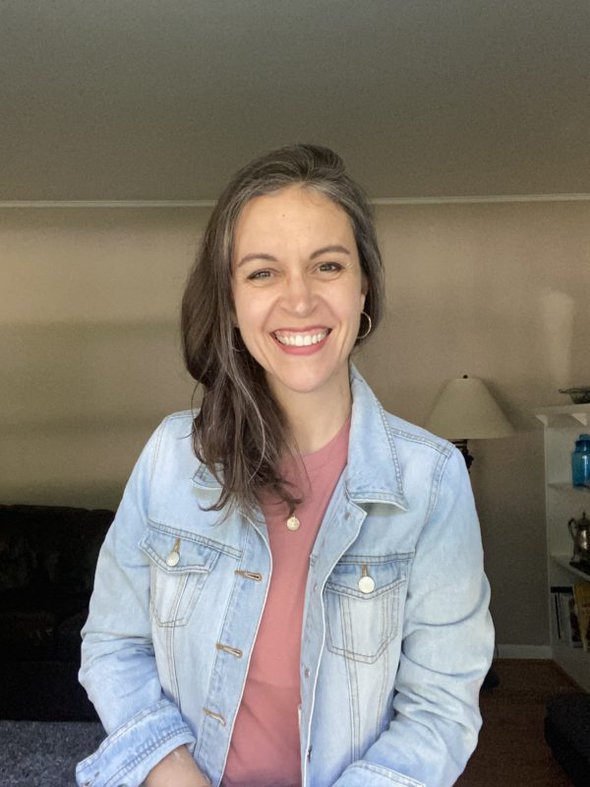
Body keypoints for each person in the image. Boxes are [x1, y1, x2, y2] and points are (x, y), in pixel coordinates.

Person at [76, 144, 494, 787]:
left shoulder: (432, 481)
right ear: (232, 303)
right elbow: (112, 646)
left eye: (327, 265)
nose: (299, 301)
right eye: (262, 272)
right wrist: (170, 770)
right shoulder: (170, 457)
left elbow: (439, 712)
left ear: (364, 291)